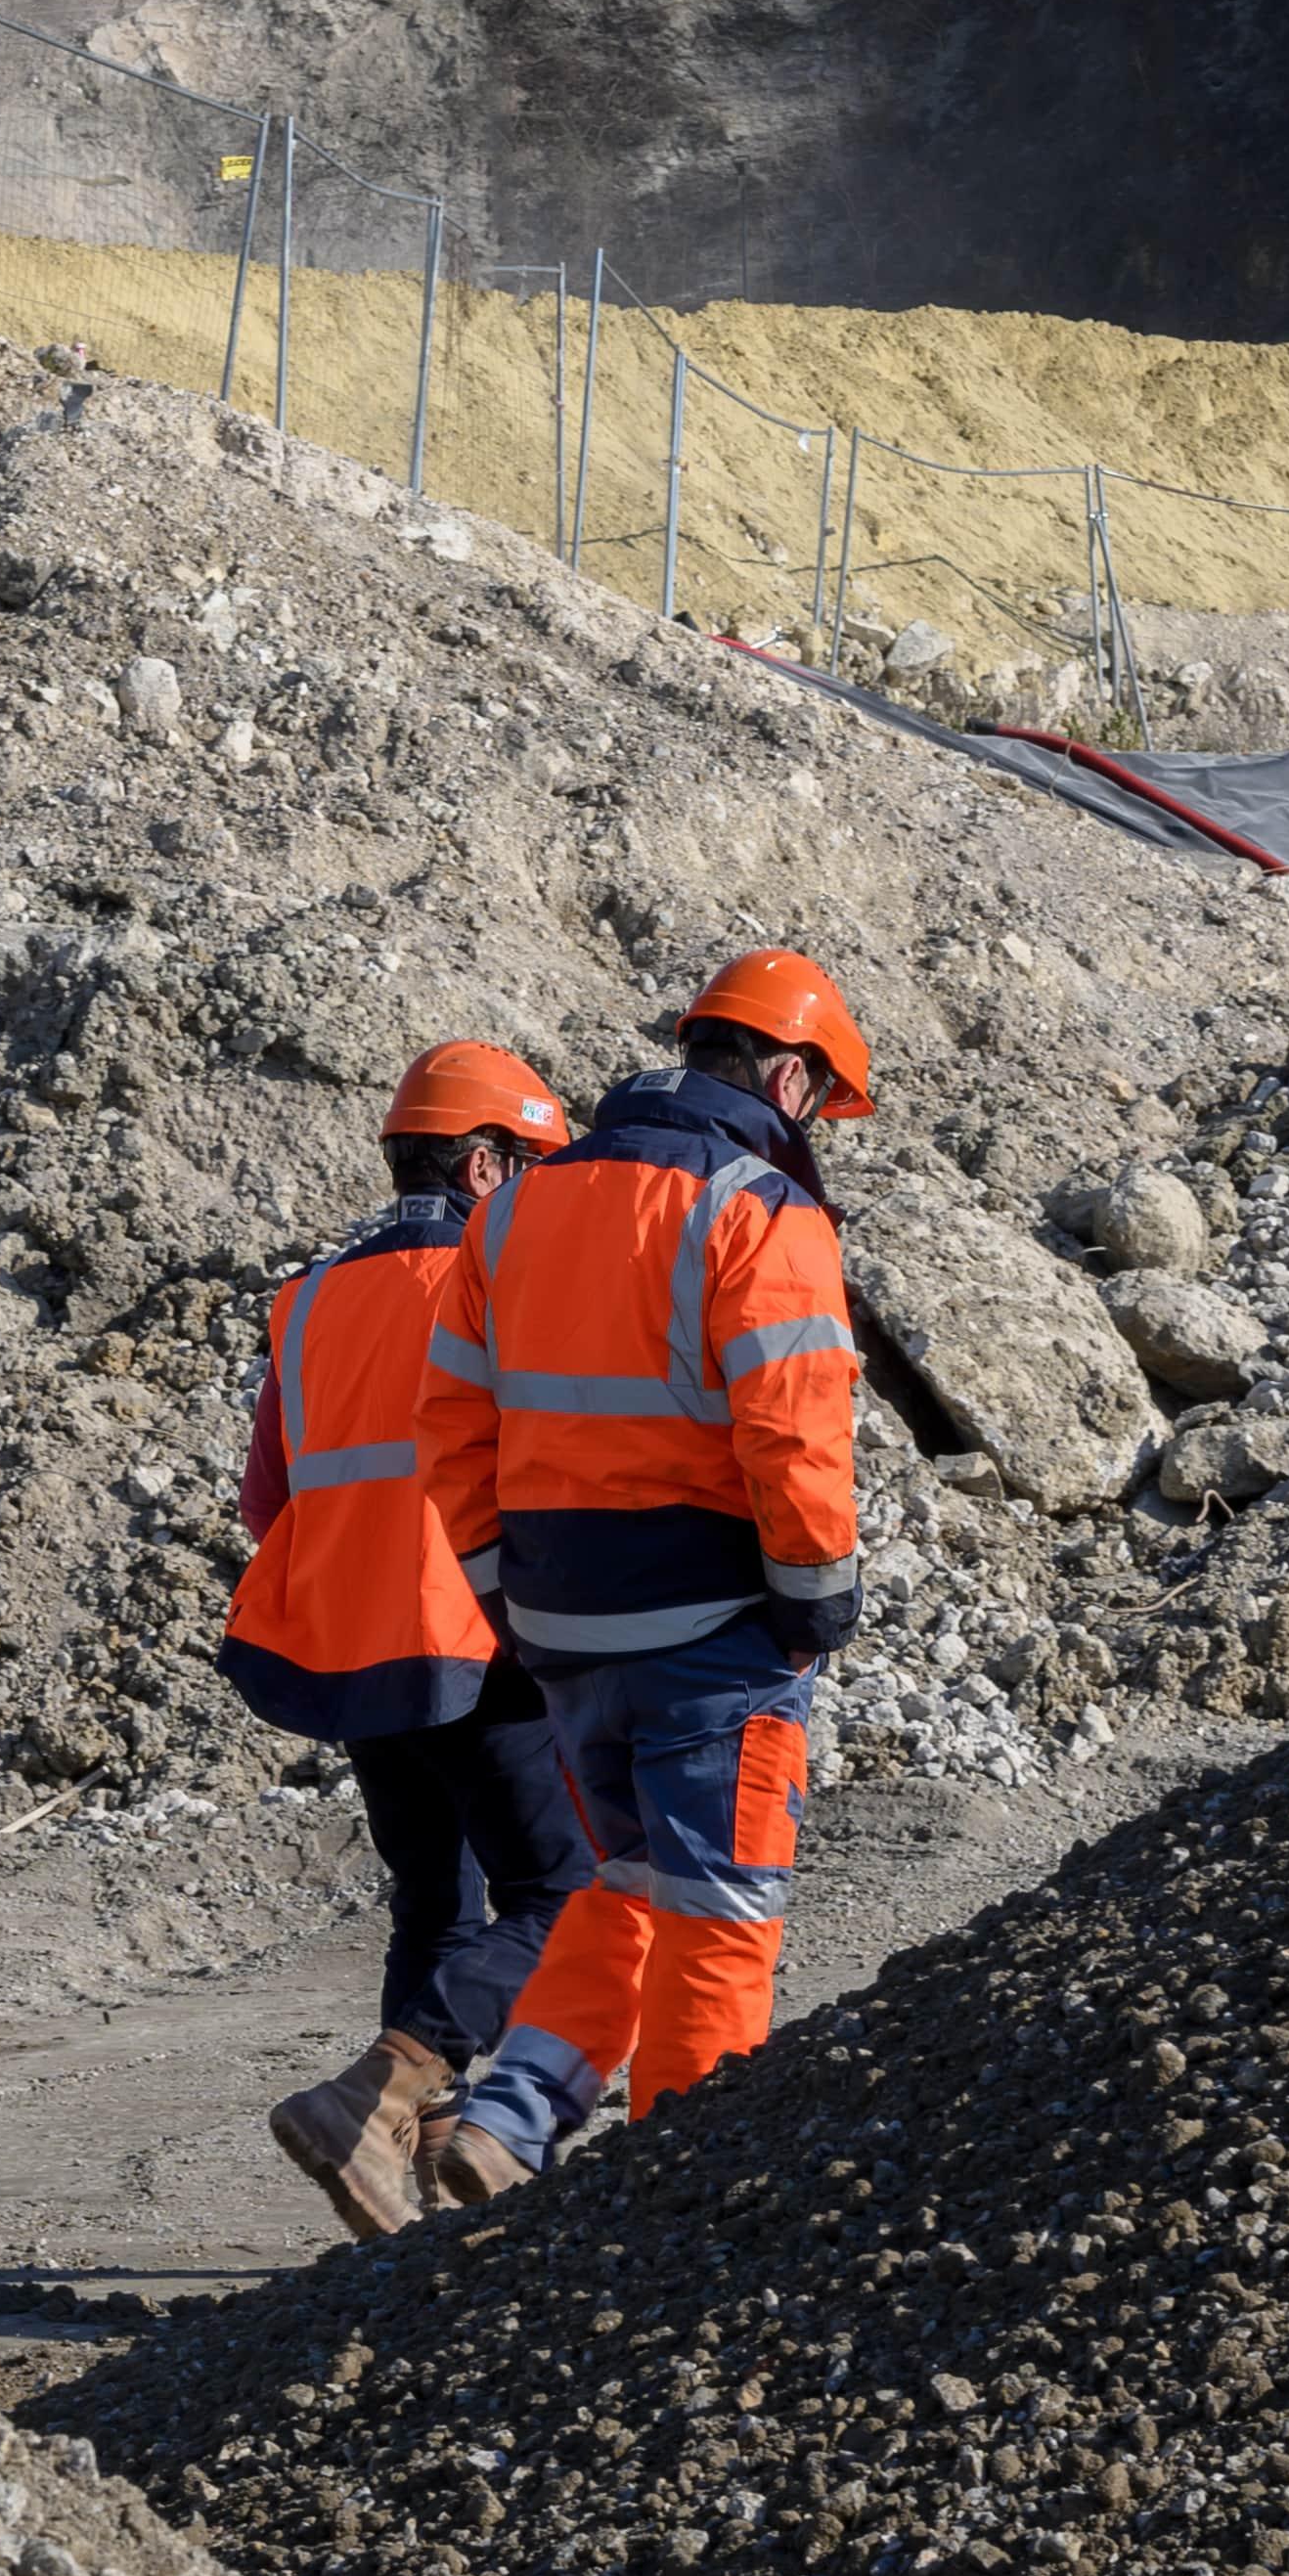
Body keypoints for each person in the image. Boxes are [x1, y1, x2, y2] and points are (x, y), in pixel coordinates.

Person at [411, 950, 872, 2199]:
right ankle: (685, 2194)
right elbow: (792, 1429)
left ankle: (506, 2121)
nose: (815, 1128)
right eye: (820, 1103)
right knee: (720, 1909)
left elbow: (449, 1427)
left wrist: (504, 1592)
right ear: (786, 1072)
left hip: (562, 1623)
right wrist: (815, 1595)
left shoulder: (514, 1206)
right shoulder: (757, 1211)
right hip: (708, 1623)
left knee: (619, 1889)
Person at [225, 1042, 597, 2238]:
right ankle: (376, 2094)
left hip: (345, 1637)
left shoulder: (311, 1295)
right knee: (570, 1894)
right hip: (473, 1630)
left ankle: (425, 2198)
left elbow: (265, 1498)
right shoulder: (502, 1279)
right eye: (537, 1165)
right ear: (486, 1164)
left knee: (434, 1901)